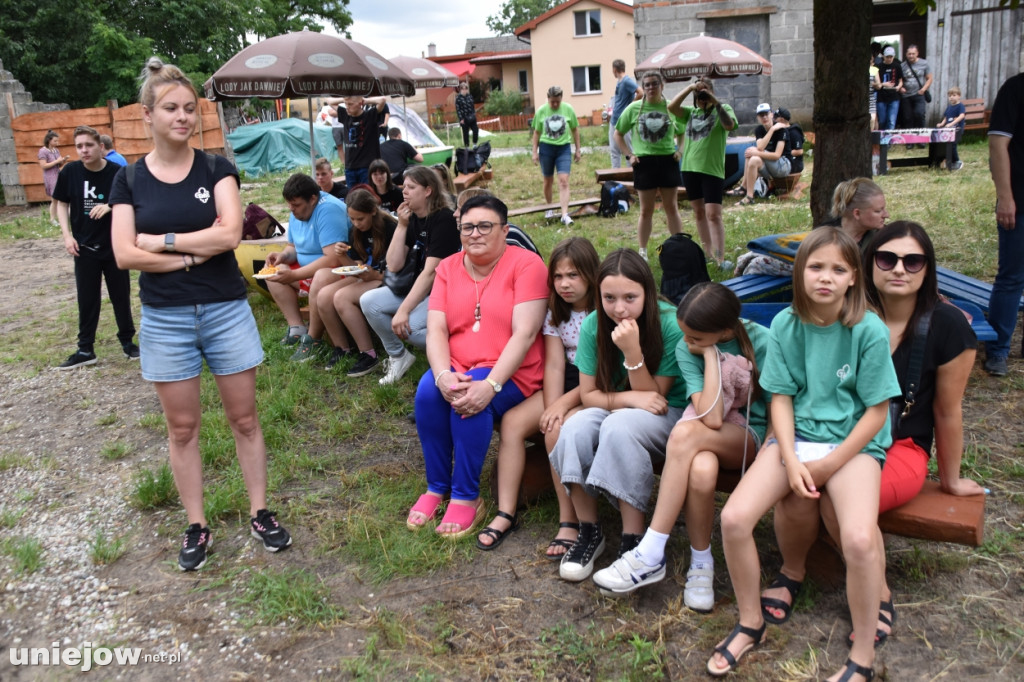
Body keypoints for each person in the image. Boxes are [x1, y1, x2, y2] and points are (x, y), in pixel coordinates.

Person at [110, 57, 291, 572]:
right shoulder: (130, 180)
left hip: (225, 310)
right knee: (183, 429)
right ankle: (197, 523)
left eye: (190, 108)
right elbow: (124, 253)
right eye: (171, 108)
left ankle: (260, 512)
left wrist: (164, 243)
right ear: (147, 114)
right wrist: (194, 251)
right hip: (165, 318)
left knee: (245, 419)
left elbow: (229, 235)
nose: (183, 116)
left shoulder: (216, 169)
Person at [767, 221, 982, 647]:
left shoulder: (949, 326)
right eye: (887, 258)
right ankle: (794, 569)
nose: (899, 268)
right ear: (867, 265)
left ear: (927, 268)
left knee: (831, 491)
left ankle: (875, 588)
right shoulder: (840, 310)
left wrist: (952, 479)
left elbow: (947, 410)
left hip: (900, 444)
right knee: (802, 484)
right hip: (831, 434)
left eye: (913, 260)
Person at [709, 228, 899, 681]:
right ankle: (750, 622)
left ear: (853, 277)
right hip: (794, 440)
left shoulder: (868, 329)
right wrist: (790, 457)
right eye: (816, 267)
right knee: (734, 519)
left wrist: (831, 463)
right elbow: (780, 398)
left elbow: (876, 413)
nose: (825, 278)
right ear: (799, 272)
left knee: (857, 537)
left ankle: (862, 663)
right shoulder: (787, 326)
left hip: (853, 445)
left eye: (837, 269)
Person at [592, 283, 770, 612]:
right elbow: (708, 411)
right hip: (705, 429)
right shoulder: (687, 346)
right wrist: (707, 351)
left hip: (747, 436)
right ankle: (701, 564)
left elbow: (721, 418)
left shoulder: (763, 341)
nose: (686, 343)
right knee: (701, 468)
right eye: (686, 336)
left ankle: (650, 551)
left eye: (697, 339)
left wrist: (712, 356)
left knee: (684, 435)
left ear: (727, 329)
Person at [407, 194, 548, 538]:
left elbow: (526, 333)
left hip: (512, 370)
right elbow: (436, 328)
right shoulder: (448, 268)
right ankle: (436, 487)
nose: (475, 234)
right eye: (467, 227)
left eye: (486, 226)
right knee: (427, 394)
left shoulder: (527, 265)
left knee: (469, 402)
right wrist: (441, 375)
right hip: (458, 363)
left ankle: (467, 496)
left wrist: (492, 385)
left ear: (505, 229)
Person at [549, 249, 688, 582]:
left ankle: (634, 540)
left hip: (671, 411)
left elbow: (656, 397)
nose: (619, 308)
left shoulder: (669, 323)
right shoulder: (595, 325)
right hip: (618, 402)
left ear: (647, 293)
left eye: (630, 297)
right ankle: (589, 531)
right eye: (609, 297)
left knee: (619, 427)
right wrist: (627, 397)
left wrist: (633, 353)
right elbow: (589, 395)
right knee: (575, 426)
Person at [476, 237, 600, 553]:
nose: (564, 284)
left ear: (591, 273)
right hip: (563, 384)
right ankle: (506, 512)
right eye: (558, 277)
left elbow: (602, 375)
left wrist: (561, 407)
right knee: (514, 423)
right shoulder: (556, 313)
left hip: (595, 388)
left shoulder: (604, 311)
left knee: (555, 432)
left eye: (573, 275)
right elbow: (556, 366)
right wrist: (550, 405)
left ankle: (569, 521)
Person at [359, 165, 461, 384]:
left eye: (411, 187)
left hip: (444, 291)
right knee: (369, 301)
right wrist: (402, 225)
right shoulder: (413, 218)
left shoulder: (443, 219)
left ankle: (458, 353)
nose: (404, 191)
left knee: (411, 328)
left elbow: (431, 274)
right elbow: (394, 265)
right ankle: (399, 356)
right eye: (403, 186)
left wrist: (403, 310)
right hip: (417, 289)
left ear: (428, 191)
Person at [53, 125, 138, 369]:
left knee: (120, 295)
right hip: (84, 246)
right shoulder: (70, 172)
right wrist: (67, 236)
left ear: (101, 147)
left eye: (88, 145)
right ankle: (85, 349)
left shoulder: (116, 172)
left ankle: (128, 342)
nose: (84, 150)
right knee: (87, 298)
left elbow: (131, 200)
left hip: (114, 244)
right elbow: (61, 204)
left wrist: (111, 206)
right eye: (79, 146)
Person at [307, 188, 398, 372]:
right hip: (367, 275)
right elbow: (356, 267)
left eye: (360, 219)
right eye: (352, 219)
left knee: (341, 297)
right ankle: (342, 349)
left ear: (372, 211)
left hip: (388, 277)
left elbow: (395, 267)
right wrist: (341, 256)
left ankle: (369, 354)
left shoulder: (390, 228)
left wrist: (372, 275)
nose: (356, 223)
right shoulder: (356, 231)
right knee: (324, 295)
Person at [265, 173, 349, 361]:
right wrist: (282, 256)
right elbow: (293, 247)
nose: (291, 210)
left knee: (320, 276)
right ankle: (296, 328)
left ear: (313, 199)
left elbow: (333, 259)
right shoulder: (298, 210)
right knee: (272, 269)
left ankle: (314, 339)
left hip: (338, 273)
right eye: (289, 205)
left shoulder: (328, 210)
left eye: (295, 205)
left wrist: (294, 276)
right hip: (309, 273)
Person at [734, 177, 888, 277]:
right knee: (755, 263)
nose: (886, 215)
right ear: (857, 213)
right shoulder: (826, 236)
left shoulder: (882, 239)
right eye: (878, 211)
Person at [614, 71, 684, 261]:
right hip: (644, 163)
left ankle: (679, 245)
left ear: (663, 85)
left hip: (668, 161)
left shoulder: (671, 108)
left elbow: (683, 132)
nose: (651, 88)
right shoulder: (634, 108)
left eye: (655, 84)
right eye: (647, 85)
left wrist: (680, 150)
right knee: (646, 210)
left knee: (671, 207)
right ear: (643, 88)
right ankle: (643, 251)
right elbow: (618, 134)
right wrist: (629, 155)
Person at [668, 77, 737, 268]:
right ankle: (708, 254)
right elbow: (672, 107)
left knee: (713, 214)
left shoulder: (724, 109)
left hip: (712, 169)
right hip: (690, 168)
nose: (702, 96)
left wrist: (714, 100)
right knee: (699, 213)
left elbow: (729, 125)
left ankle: (720, 257)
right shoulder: (690, 113)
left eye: (706, 91)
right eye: (700, 93)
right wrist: (691, 87)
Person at [985, 72, 1024, 377]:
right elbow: (998, 146)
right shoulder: (1016, 88)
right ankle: (998, 349)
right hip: (1019, 202)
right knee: (1011, 277)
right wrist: (1005, 197)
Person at [531, 86, 582, 226]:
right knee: (548, 180)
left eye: (557, 102)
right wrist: (534, 152)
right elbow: (536, 133)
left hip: (563, 148)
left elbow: (575, 130)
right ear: (548, 99)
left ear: (561, 99)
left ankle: (564, 214)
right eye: (552, 101)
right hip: (546, 148)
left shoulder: (568, 109)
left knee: (564, 180)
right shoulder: (541, 111)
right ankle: (549, 208)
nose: (554, 104)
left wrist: (578, 149)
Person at [734, 103, 792, 206]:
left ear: (771, 114)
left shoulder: (781, 130)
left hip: (783, 165)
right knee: (753, 159)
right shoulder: (759, 130)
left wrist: (773, 129)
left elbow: (777, 155)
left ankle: (744, 187)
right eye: (761, 115)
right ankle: (749, 196)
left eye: (766, 114)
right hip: (770, 167)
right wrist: (771, 130)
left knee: (752, 151)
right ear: (758, 118)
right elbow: (760, 147)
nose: (764, 117)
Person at [329, 96, 388, 188]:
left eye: (350, 104)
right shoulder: (345, 115)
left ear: (360, 104)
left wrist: (365, 100)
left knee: (367, 196)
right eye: (346, 104)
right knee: (352, 198)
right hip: (350, 167)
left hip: (367, 167)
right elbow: (329, 101)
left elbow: (382, 100)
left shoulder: (370, 115)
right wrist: (344, 99)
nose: (347, 107)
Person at [608, 59, 641, 169]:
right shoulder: (620, 81)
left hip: (624, 121)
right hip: (614, 120)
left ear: (614, 69)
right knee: (614, 151)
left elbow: (641, 92)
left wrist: (630, 106)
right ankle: (615, 177)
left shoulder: (627, 81)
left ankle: (631, 175)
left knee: (628, 151)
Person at [898, 44, 933, 137]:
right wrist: (900, 88)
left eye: (913, 54)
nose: (911, 56)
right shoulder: (902, 66)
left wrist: (923, 89)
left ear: (917, 53)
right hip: (906, 96)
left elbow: (929, 78)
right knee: (907, 117)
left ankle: (921, 138)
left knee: (919, 114)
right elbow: (899, 80)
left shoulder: (924, 63)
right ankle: (909, 139)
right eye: (909, 54)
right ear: (906, 54)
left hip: (919, 94)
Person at [38, 130, 69, 226]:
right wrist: (57, 161)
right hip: (50, 176)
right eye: (55, 141)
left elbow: (59, 164)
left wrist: (63, 161)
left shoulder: (56, 150)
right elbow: (43, 165)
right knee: (55, 198)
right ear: (49, 140)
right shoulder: (43, 151)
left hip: (58, 174)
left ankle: (63, 217)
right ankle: (52, 219)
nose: (57, 143)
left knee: (62, 197)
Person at [935, 87, 966, 170]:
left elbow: (962, 116)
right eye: (950, 96)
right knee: (946, 145)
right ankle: (949, 160)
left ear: (959, 96)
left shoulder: (960, 106)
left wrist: (952, 124)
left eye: (954, 95)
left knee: (953, 145)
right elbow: (946, 117)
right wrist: (942, 123)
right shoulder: (949, 107)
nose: (951, 97)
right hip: (949, 130)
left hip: (957, 129)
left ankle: (957, 161)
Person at [876, 47, 902, 131]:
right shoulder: (878, 66)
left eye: (891, 57)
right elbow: (875, 83)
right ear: (883, 56)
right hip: (881, 96)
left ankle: (888, 141)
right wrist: (883, 84)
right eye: (887, 57)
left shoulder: (897, 66)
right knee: (882, 120)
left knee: (891, 121)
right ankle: (882, 139)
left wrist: (899, 86)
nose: (889, 58)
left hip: (894, 96)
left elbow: (901, 80)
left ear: (893, 56)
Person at [776, 108, 804, 174]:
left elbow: (799, 151)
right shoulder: (779, 131)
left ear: (781, 119)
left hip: (794, 164)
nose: (774, 119)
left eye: (776, 117)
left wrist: (782, 154)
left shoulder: (794, 132)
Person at [455, 82, 478, 148]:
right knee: (465, 133)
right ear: (460, 89)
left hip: (472, 117)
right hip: (464, 118)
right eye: (463, 89)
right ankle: (467, 147)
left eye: (466, 88)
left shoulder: (470, 96)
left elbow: (472, 106)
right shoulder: (458, 98)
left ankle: (474, 144)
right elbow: (458, 109)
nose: (464, 90)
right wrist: (461, 119)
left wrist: (474, 114)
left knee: (475, 130)